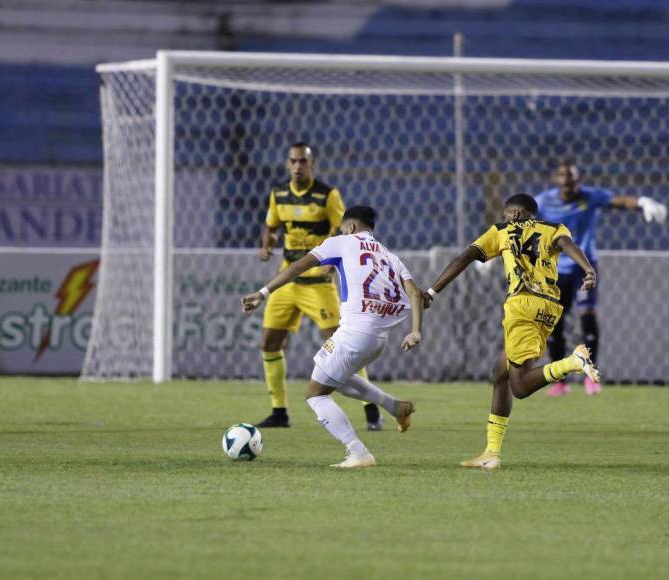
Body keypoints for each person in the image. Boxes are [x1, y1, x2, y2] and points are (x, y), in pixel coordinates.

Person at [423, 194, 600, 470]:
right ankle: (491, 453)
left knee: (519, 386)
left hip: (521, 306)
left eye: (507, 213)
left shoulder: (502, 231)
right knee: (501, 372)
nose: (505, 218)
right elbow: (568, 245)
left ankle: (573, 362)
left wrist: (432, 291)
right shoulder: (555, 228)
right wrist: (588, 269)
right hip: (550, 307)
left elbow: (465, 257)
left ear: (516, 213)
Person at [242, 206, 422, 468]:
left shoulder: (341, 242)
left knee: (315, 393)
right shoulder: (389, 255)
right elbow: (415, 294)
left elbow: (297, 267)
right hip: (377, 340)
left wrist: (263, 293)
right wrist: (415, 330)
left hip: (354, 334)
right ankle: (395, 407)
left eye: (341, 228)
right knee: (337, 378)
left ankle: (358, 452)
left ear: (349, 227)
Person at [257, 142, 382, 429]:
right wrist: (266, 245)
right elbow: (271, 226)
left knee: (346, 347)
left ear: (312, 165)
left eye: (303, 161)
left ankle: (371, 410)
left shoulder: (327, 196)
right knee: (269, 342)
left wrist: (332, 261)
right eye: (293, 161)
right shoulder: (279, 194)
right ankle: (279, 412)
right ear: (288, 164)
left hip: (318, 285)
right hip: (287, 281)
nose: (298, 166)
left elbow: (348, 230)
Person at [535, 161, 667, 396]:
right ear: (556, 179)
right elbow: (518, 221)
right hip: (555, 269)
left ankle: (591, 377)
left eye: (572, 177)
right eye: (563, 176)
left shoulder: (590, 196)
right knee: (554, 321)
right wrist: (493, 253)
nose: (568, 181)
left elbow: (619, 201)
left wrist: (642, 202)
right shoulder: (544, 201)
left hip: (585, 266)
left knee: (588, 315)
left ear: (578, 180)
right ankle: (559, 382)